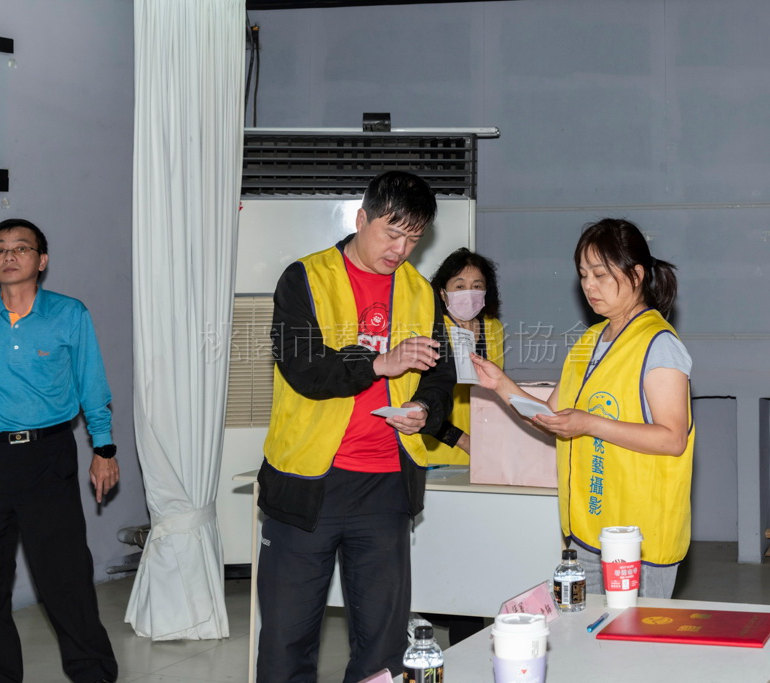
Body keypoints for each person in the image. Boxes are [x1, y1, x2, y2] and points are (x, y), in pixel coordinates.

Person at [256, 171, 455, 682]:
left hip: (386, 486)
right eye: (392, 233)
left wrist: (424, 411)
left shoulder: (420, 292)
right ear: (362, 218)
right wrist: (379, 363)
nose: (401, 249)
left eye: (414, 238)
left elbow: (441, 377)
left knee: (383, 644)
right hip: (308, 484)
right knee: (287, 638)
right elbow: (303, 367)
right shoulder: (304, 278)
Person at [472, 218, 694, 599]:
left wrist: (590, 424)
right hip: (588, 530)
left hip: (639, 539)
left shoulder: (659, 345)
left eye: (600, 274)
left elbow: (672, 439)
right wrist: (501, 385)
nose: (589, 286)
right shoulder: (589, 341)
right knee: (587, 633)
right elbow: (552, 417)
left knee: (633, 635)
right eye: (583, 275)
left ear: (636, 274)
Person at [0, 218, 120, 683]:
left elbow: (92, 387)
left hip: (48, 457)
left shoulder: (69, 314)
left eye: (21, 248)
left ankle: (91, 669)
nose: (9, 256)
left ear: (41, 261)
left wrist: (104, 449)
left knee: (64, 573)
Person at [425, 247, 504, 464]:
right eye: (459, 286)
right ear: (443, 293)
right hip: (439, 451)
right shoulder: (430, 329)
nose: (468, 293)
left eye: (477, 286)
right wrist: (465, 441)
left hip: (486, 446)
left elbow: (497, 390)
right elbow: (420, 399)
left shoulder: (493, 327)